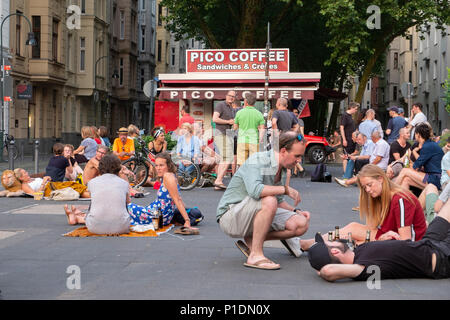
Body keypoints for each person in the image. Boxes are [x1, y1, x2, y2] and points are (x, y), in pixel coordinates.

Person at [216, 131, 310, 270]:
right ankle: (255, 255)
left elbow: (278, 201)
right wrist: (285, 189)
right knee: (269, 200)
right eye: (297, 156)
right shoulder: (258, 160)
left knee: (301, 223)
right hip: (230, 217)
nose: (299, 161)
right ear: (283, 151)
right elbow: (256, 191)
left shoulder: (283, 169)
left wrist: (296, 211)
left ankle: (254, 241)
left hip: (252, 212)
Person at [307, 198, 450, 282]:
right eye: (330, 242)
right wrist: (321, 272)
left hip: (428, 242)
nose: (336, 239)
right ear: (335, 251)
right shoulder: (363, 268)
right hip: (441, 257)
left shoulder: (358, 251)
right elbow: (329, 270)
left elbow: (385, 253)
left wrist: (384, 240)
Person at [303, 164, 427, 252]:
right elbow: (372, 228)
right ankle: (314, 244)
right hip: (390, 238)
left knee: (354, 231)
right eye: (364, 187)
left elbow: (406, 241)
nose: (367, 190)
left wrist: (376, 242)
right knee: (354, 231)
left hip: (412, 246)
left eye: (369, 185)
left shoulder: (401, 199)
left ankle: (309, 244)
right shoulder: (381, 197)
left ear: (381, 179)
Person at [127, 152, 197, 231]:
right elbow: (177, 198)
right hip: (159, 213)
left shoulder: (168, 177)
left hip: (159, 216)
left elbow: (177, 199)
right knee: (129, 208)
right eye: (156, 165)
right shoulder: (168, 175)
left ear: (168, 165)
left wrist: (187, 221)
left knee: (128, 206)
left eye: (161, 165)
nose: (158, 168)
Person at [64, 154, 132, 235]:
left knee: (95, 206)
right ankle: (78, 217)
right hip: (122, 227)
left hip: (94, 227)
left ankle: (79, 217)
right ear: (118, 168)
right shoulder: (123, 183)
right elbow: (128, 202)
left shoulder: (92, 182)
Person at [395, 123, 444, 191]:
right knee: (406, 180)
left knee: (404, 171)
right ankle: (405, 200)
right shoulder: (430, 144)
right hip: (434, 177)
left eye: (415, 133)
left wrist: (411, 163)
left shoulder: (427, 146)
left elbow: (416, 166)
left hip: (435, 179)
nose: (414, 135)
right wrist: (414, 153)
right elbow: (420, 164)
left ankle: (391, 191)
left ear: (418, 135)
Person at [233, 92, 265, 169]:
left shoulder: (239, 113)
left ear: (245, 102)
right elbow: (262, 129)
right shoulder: (259, 114)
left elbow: (235, 127)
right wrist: (260, 140)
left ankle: (244, 179)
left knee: (241, 164)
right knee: (253, 164)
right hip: (254, 141)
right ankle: (252, 179)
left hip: (242, 141)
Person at [212, 90, 236, 190]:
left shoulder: (231, 108)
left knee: (224, 159)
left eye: (233, 96)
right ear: (226, 96)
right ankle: (218, 180)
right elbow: (215, 119)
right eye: (230, 95)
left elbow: (232, 123)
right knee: (229, 158)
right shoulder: (220, 105)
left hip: (227, 135)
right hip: (220, 134)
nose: (231, 97)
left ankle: (218, 182)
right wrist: (228, 121)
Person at [14, 168, 90, 198]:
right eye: (25, 173)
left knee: (75, 185)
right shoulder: (25, 185)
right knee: (75, 190)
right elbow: (36, 196)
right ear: (21, 178)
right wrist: (43, 183)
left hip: (53, 184)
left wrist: (47, 179)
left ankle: (96, 194)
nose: (27, 173)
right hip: (50, 189)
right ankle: (95, 196)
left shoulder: (31, 179)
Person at [340, 102, 359, 173]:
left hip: (352, 139)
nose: (356, 111)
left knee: (350, 155)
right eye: (355, 109)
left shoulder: (350, 116)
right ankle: (345, 173)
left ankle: (349, 172)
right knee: (346, 156)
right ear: (352, 108)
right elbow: (341, 128)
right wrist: (344, 139)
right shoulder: (345, 115)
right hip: (347, 139)